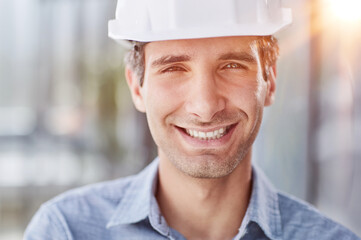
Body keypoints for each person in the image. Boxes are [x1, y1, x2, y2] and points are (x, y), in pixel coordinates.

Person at [24, 0, 360, 239]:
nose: (204, 106)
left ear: (269, 81)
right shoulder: (65, 231)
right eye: (173, 69)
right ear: (137, 89)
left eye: (231, 66)